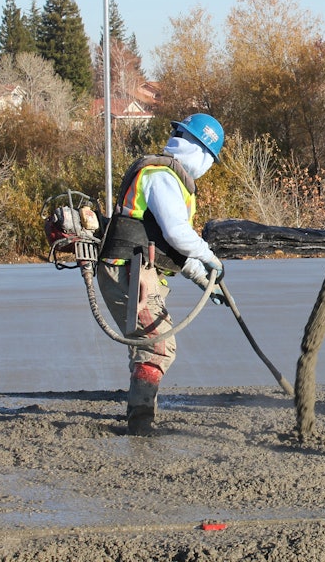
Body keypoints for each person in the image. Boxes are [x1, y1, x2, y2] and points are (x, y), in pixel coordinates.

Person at [97, 113, 226, 436]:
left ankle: (140, 412)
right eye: (211, 160)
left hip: (137, 269)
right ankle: (141, 422)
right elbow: (177, 234)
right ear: (202, 152)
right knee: (158, 345)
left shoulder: (169, 178)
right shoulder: (163, 177)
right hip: (127, 270)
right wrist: (210, 257)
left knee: (149, 344)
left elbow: (169, 248)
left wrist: (205, 280)